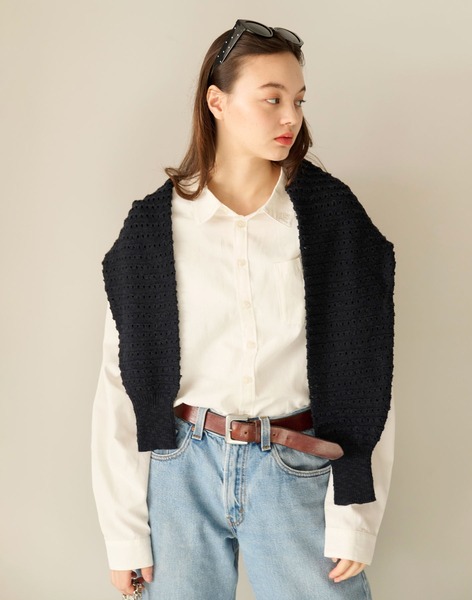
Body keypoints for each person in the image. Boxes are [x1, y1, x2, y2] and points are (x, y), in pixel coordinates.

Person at [92, 19, 396, 600]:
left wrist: (355, 517)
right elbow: (119, 385)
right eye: (272, 99)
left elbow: (369, 377)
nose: (291, 117)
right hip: (179, 470)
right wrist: (124, 534)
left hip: (298, 468)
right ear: (217, 102)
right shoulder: (153, 229)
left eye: (298, 100)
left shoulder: (333, 219)